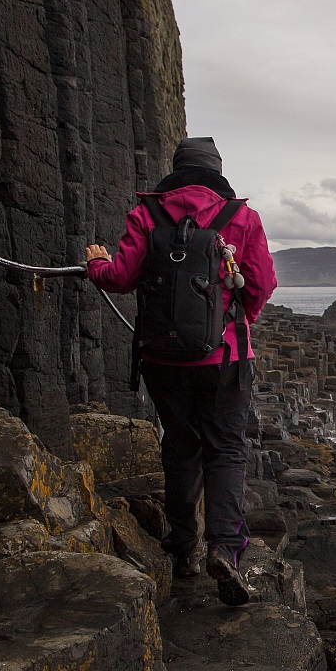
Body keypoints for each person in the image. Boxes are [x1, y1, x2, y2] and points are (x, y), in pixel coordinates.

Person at [85, 137, 276, 606]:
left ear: (175, 170)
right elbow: (261, 283)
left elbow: (120, 277)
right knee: (226, 450)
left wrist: (95, 263)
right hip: (225, 360)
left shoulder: (147, 213)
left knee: (179, 445)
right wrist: (239, 323)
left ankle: (184, 546)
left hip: (162, 360)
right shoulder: (240, 217)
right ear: (217, 172)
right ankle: (225, 550)